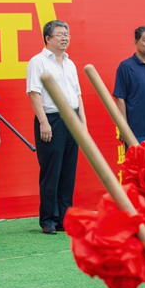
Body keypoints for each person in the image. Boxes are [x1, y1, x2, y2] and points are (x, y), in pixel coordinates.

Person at [26, 20, 86, 235]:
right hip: (52, 119)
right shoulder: (38, 62)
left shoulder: (70, 63)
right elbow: (34, 93)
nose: (64, 38)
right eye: (60, 34)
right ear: (47, 38)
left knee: (68, 172)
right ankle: (49, 219)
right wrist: (43, 122)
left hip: (72, 118)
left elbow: (78, 95)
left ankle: (65, 218)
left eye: (66, 34)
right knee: (52, 171)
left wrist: (83, 123)